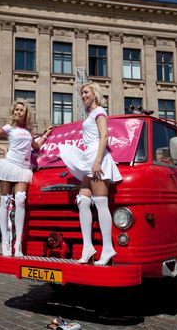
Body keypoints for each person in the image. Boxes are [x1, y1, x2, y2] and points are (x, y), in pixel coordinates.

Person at [59, 82, 122, 266]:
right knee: (83, 200)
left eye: (86, 92)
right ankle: (88, 247)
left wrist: (96, 161)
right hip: (89, 158)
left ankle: (108, 248)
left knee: (101, 203)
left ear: (94, 93)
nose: (83, 95)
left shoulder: (100, 112)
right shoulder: (90, 114)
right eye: (82, 93)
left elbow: (104, 137)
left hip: (97, 158)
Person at [0, 99, 54, 257]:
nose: (18, 112)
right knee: (4, 202)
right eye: (16, 109)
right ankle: (5, 243)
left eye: (21, 110)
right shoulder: (9, 128)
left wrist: (45, 134)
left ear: (25, 113)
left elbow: (36, 147)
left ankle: (19, 244)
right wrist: (3, 148)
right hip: (9, 166)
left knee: (21, 200)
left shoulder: (29, 132)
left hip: (23, 169)